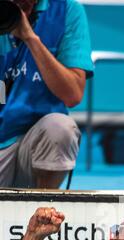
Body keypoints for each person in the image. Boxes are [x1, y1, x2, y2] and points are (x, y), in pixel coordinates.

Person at [0, 0, 94, 188]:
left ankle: (44, 208)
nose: (21, 12)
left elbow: (73, 94)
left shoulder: (67, 11)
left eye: (25, 6)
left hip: (34, 147)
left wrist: (31, 39)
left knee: (60, 127)